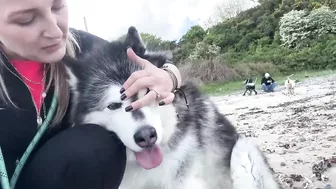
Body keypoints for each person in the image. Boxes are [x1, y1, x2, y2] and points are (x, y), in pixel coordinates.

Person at [0, 0, 182, 189]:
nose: (55, 32)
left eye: (57, 6)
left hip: (58, 176)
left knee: (93, 147)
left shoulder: (79, 46)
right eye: (26, 19)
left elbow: (152, 63)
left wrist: (170, 76)